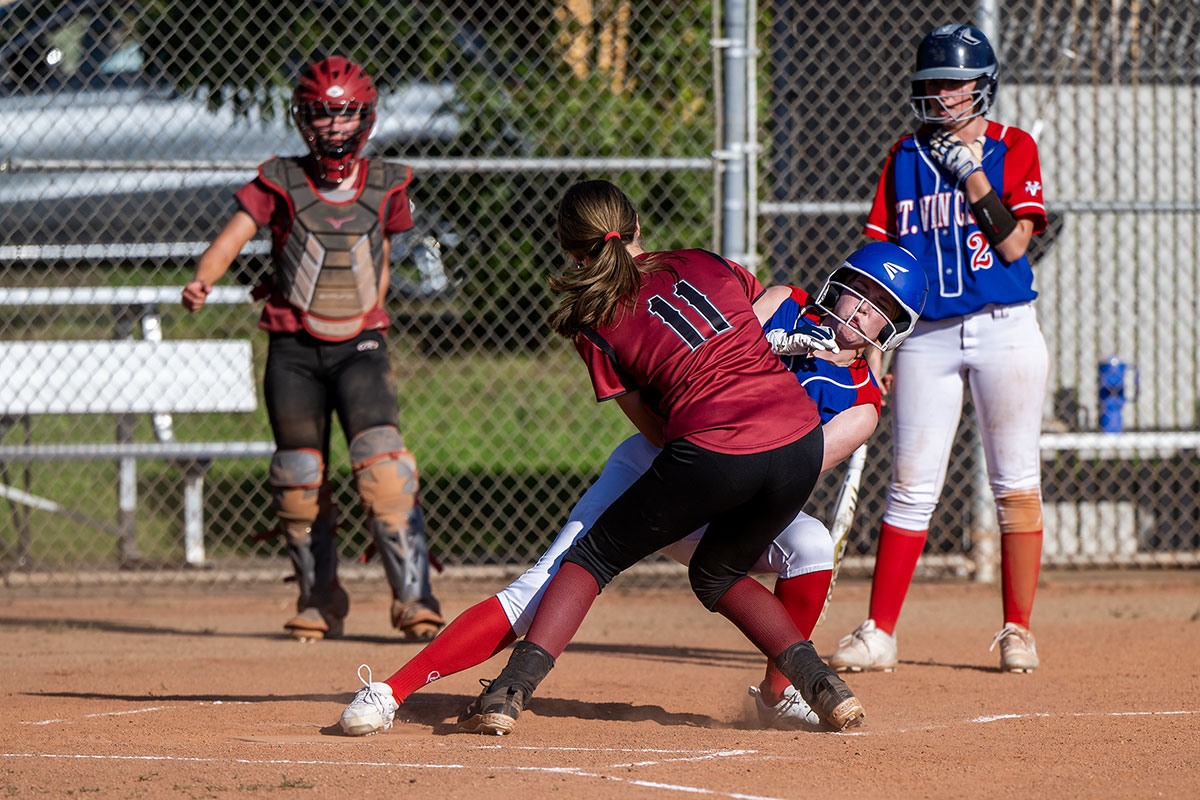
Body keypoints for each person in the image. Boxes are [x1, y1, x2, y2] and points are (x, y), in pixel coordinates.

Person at [335, 239, 926, 738]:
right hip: (658, 462)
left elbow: (786, 464)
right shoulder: (782, 301)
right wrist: (774, 346)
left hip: (728, 493)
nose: (860, 310)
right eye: (859, 291)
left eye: (880, 308)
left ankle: (780, 691)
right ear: (836, 284)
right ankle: (393, 690)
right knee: (541, 586)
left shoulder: (861, 406)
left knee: (812, 545)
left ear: (891, 327)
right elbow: (706, 341)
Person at [181, 56, 444, 641]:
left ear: (366, 116)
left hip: (361, 345)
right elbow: (231, 239)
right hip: (292, 345)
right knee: (298, 477)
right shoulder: (278, 180)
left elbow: (383, 254)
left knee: (385, 473)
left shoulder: (387, 183)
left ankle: (415, 599)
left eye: (345, 112)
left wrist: (372, 313)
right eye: (322, 115)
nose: (333, 126)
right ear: (303, 118)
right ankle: (320, 598)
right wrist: (204, 279)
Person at [831, 24, 1049, 675]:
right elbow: (884, 258)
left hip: (1006, 325)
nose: (943, 94)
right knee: (910, 485)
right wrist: (871, 345)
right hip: (924, 334)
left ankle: (1018, 630)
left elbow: (1015, 247)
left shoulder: (1014, 149)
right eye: (933, 83)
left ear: (983, 86)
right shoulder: (903, 157)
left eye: (955, 83)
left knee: (1014, 483)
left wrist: (976, 180)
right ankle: (880, 632)